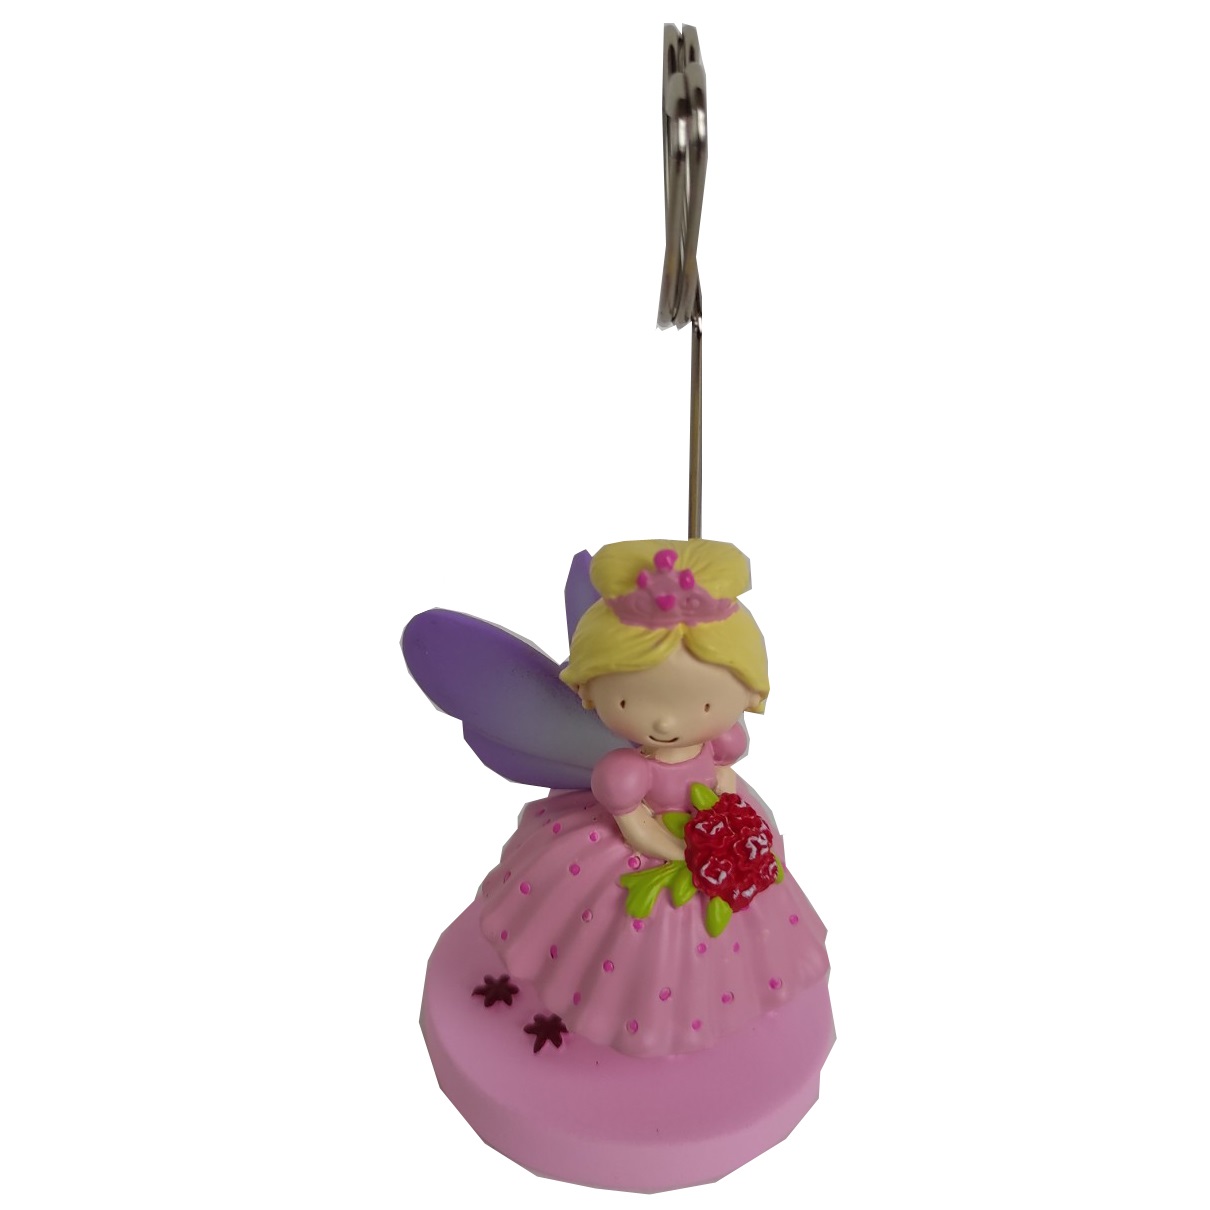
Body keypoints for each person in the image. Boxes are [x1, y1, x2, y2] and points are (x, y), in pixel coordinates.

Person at [478, 539, 829, 1058]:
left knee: (731, 933)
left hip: (713, 836)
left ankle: (712, 1008)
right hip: (642, 848)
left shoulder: (722, 742)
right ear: (591, 691)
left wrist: (724, 820)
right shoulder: (625, 772)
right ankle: (611, 1008)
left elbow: (723, 778)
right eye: (627, 700)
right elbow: (636, 825)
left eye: (704, 704)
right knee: (623, 933)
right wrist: (684, 852)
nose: (664, 721)